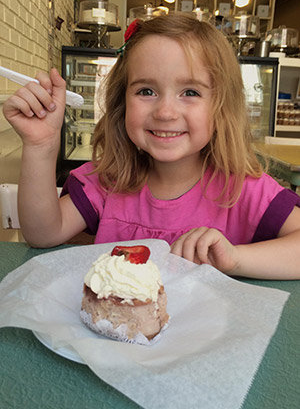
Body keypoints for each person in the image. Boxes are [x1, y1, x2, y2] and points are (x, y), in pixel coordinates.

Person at [3, 14, 300, 279]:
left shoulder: (243, 189)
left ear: (221, 107)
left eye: (190, 92)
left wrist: (235, 259)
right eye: (146, 91)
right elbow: (43, 234)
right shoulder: (109, 180)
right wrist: (40, 145)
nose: (165, 112)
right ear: (122, 103)